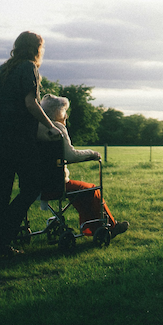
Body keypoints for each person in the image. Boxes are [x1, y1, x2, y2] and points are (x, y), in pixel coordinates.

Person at [0, 31, 62, 256]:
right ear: (36, 48)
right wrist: (50, 126)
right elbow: (31, 103)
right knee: (31, 187)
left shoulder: (0, 71)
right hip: (17, 141)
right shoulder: (29, 68)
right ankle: (4, 233)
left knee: (2, 191)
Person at [37, 94, 129, 238]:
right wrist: (91, 153)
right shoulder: (57, 128)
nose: (66, 116)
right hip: (56, 184)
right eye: (64, 111)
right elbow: (71, 156)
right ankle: (110, 226)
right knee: (91, 189)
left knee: (80, 191)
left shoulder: (36, 128)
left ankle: (91, 228)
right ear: (57, 112)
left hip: (36, 184)